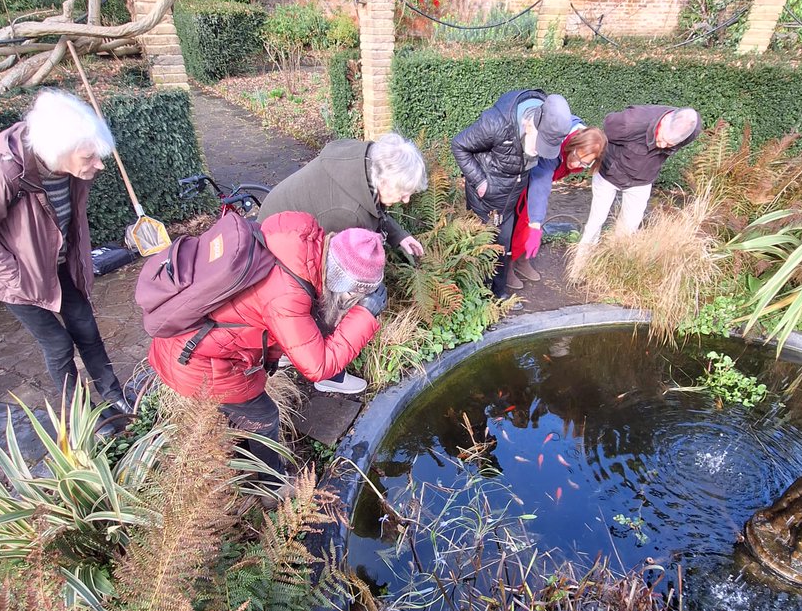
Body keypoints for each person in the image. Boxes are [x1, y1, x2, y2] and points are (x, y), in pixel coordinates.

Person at [148, 215, 386, 491]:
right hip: (195, 361)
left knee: (241, 409)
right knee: (264, 416)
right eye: (356, 294)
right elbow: (318, 367)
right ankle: (272, 487)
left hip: (200, 341)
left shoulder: (302, 239)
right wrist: (365, 315)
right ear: (342, 282)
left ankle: (236, 447)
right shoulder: (286, 295)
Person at [0, 88, 130, 428]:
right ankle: (84, 419)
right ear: (59, 150)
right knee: (58, 343)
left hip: (58, 266)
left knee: (87, 329)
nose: (98, 165)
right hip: (15, 277)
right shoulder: (2, 173)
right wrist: (17, 279)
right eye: (89, 157)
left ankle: (115, 398)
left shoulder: (71, 169)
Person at [256, 132, 426, 394]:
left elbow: (372, 207)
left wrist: (399, 237)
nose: (406, 200)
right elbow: (331, 281)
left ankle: (291, 346)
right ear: (384, 179)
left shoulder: (363, 162)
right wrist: (365, 309)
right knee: (329, 295)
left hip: (284, 228)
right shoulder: (345, 213)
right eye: (404, 193)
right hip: (279, 251)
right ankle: (329, 376)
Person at [451, 91, 574, 298]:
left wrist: (535, 223)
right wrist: (481, 182)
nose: (538, 152)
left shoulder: (547, 126)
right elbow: (459, 145)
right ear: (529, 125)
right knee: (482, 249)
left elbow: (542, 178)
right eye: (539, 144)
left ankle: (499, 295)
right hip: (484, 200)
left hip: (509, 202)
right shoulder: (496, 124)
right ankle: (479, 298)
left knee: (503, 247)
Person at [578, 105, 701, 247]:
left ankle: (615, 263)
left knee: (628, 230)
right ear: (665, 120)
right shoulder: (630, 122)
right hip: (609, 173)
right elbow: (605, 130)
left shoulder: (691, 129)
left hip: (642, 181)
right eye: (661, 139)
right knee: (596, 220)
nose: (662, 145)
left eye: (669, 144)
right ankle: (582, 259)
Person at [507, 124, 608, 289]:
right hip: (522, 179)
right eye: (577, 157)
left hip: (538, 183)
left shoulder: (585, 136)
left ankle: (522, 259)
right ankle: (508, 265)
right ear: (573, 145)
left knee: (531, 219)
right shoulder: (553, 146)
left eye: (585, 163)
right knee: (519, 221)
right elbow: (540, 184)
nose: (577, 164)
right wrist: (535, 223)